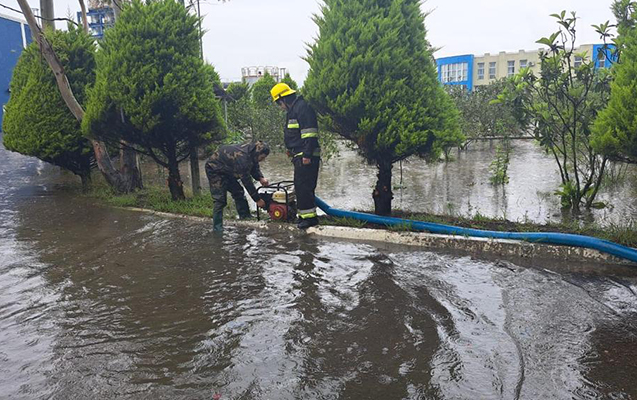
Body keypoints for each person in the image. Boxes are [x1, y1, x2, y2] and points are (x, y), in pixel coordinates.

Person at [270, 83, 321, 230]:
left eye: (279, 103)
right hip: (299, 154)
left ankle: (309, 220)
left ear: (283, 99)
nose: (280, 107)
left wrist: (307, 154)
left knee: (303, 187)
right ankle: (306, 217)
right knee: (302, 187)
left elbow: (310, 133)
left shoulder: (302, 107)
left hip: (305, 155)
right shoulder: (294, 110)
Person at [205, 141, 270, 232]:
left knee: (238, 191)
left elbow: (254, 166)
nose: (263, 160)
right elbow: (247, 181)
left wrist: (260, 178)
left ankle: (245, 216)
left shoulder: (252, 153)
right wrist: (257, 199)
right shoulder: (242, 158)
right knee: (220, 199)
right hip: (214, 169)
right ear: (258, 153)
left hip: (227, 169)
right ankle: (217, 228)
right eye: (262, 157)